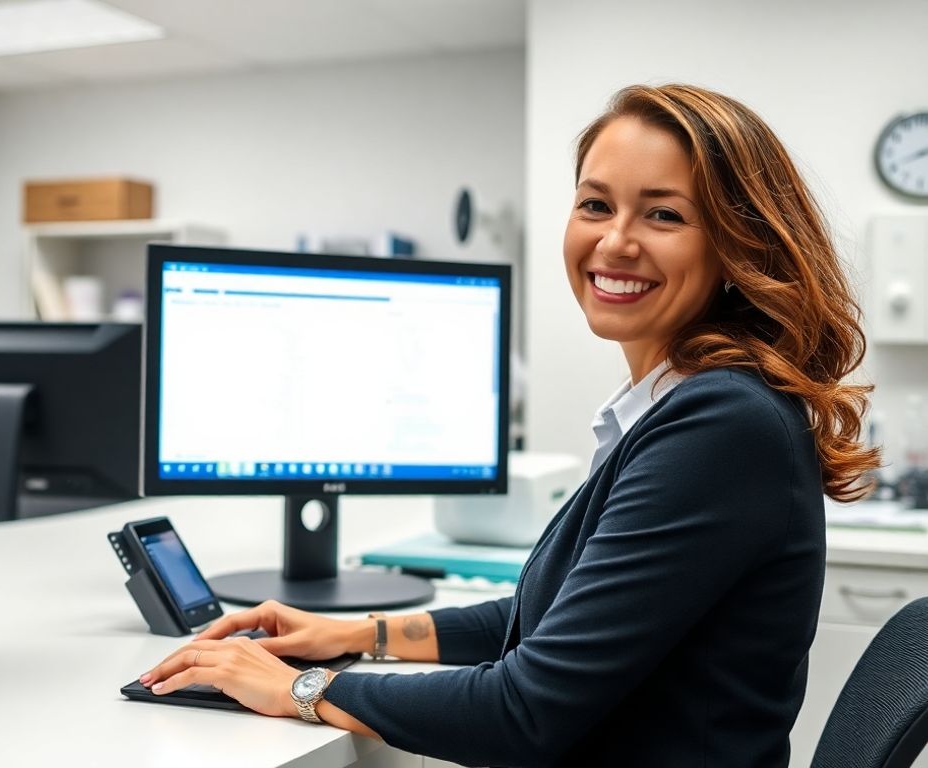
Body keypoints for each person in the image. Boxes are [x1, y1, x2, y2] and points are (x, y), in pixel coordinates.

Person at [139, 83, 882, 767]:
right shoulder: (685, 405)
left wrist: (296, 690)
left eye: (664, 214)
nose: (615, 241)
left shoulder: (724, 425)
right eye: (595, 205)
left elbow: (524, 711)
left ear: (736, 247)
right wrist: (358, 634)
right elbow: (553, 618)